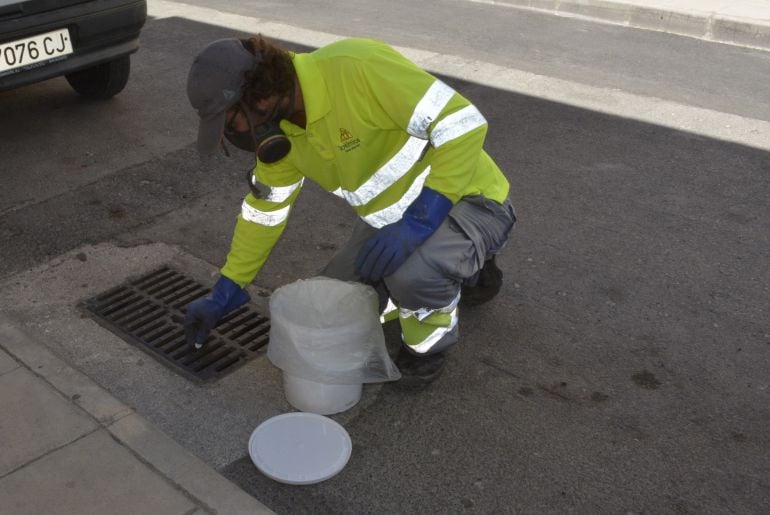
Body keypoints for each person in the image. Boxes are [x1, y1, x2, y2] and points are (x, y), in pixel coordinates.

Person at [184, 35, 516, 390]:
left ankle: (427, 347)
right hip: (390, 223)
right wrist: (228, 286)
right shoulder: (282, 134)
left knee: (414, 276)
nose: (231, 134)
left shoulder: (356, 67)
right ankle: (461, 268)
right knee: (331, 299)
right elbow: (265, 213)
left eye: (230, 121)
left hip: (471, 201)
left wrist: (419, 222)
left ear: (261, 98)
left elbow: (462, 123)